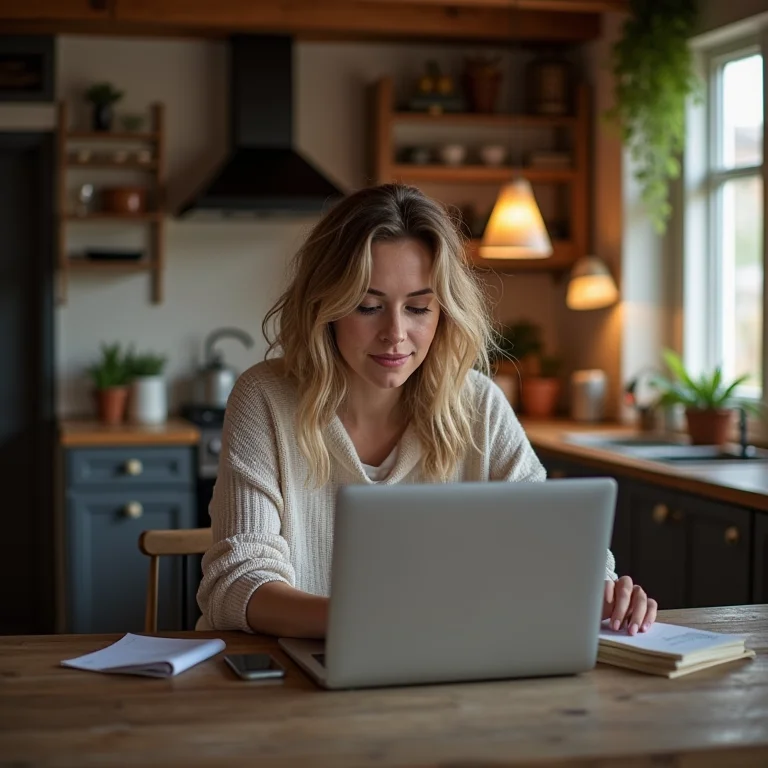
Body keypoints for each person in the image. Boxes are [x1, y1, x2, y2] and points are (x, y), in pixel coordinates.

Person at [197, 183, 657, 638]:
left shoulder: (478, 402)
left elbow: (551, 540)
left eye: (418, 307)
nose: (395, 333)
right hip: (291, 678)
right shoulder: (265, 398)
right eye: (368, 306)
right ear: (325, 307)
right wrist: (372, 624)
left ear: (445, 312)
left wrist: (600, 587)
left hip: (442, 673)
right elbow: (239, 580)